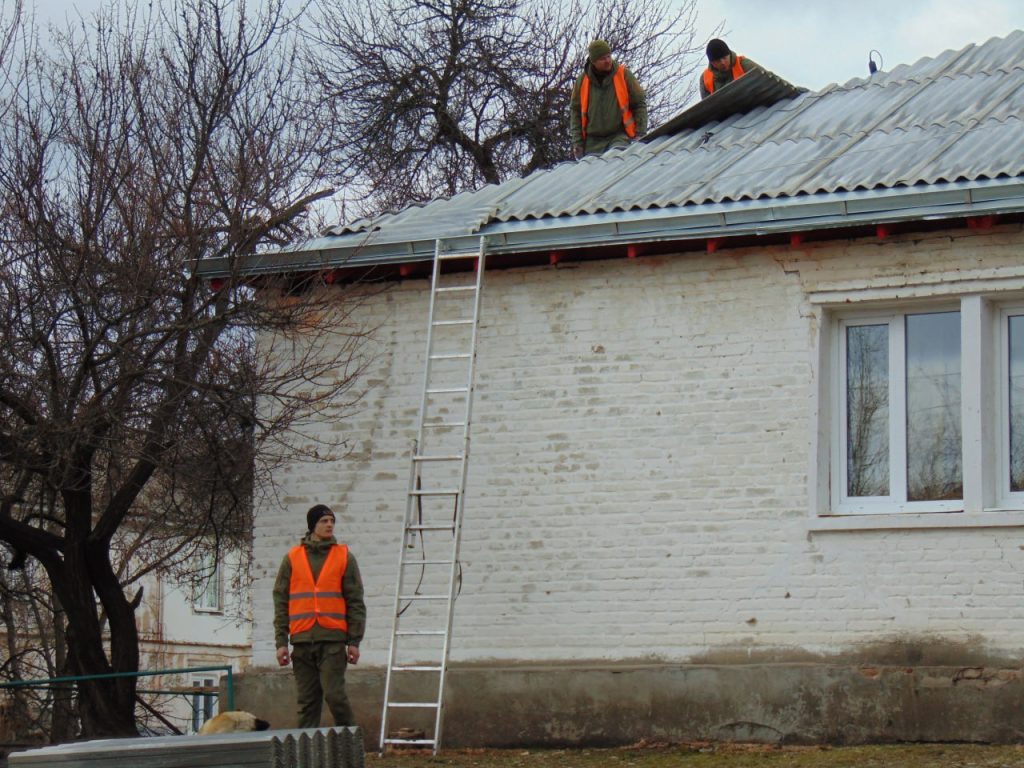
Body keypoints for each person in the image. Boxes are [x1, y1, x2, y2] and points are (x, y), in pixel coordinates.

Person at [273, 504, 366, 728]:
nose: (330, 525)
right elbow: (281, 601)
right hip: (302, 642)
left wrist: (354, 641)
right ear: (312, 525)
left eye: (332, 521)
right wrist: (281, 642)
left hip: (332, 641)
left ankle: (349, 745)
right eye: (324, 521)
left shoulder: (344, 557)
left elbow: (355, 601)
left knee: (335, 696)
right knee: (307, 703)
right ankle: (306, 754)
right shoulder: (292, 558)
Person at [570, 39, 647, 158]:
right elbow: (575, 112)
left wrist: (640, 133)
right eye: (602, 58)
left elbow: (639, 103)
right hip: (592, 142)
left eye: (609, 56)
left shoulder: (623, 74)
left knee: (617, 161)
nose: (607, 61)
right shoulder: (582, 81)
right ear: (593, 62)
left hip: (619, 136)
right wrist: (577, 142)